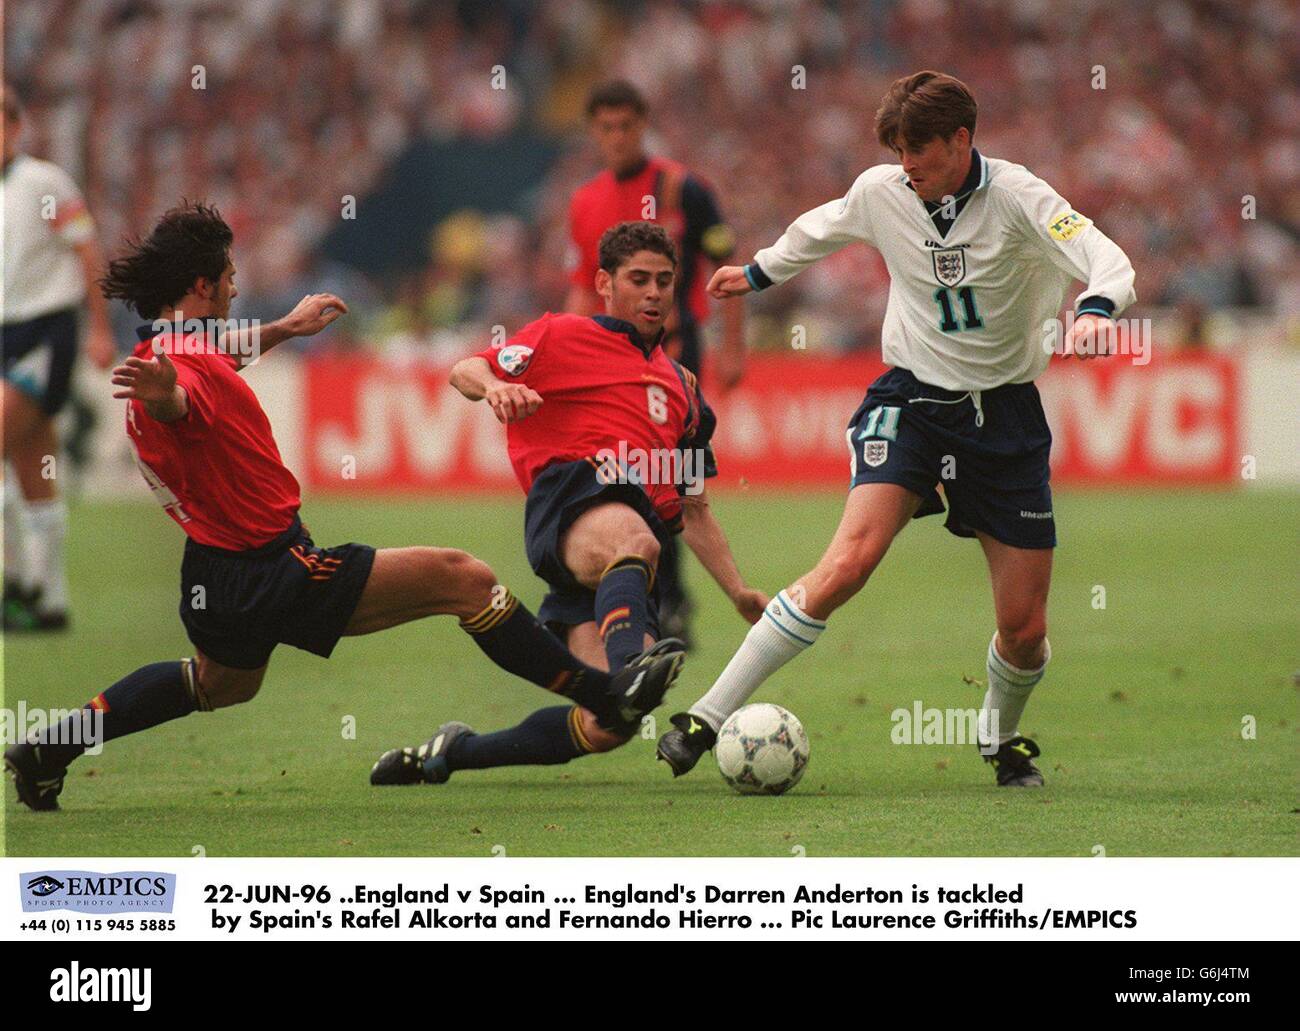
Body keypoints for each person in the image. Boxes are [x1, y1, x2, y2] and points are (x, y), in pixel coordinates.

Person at [3, 202, 681, 811]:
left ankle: (49, 746)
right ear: (204, 285)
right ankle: (605, 694)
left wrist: (286, 328)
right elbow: (182, 397)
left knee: (219, 684)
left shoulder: (172, 344)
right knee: (464, 579)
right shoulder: (177, 372)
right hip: (275, 566)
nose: (238, 285)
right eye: (230, 275)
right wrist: (163, 398)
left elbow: (209, 354)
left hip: (214, 573)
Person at [657, 71, 1136, 787]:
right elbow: (821, 226)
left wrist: (1097, 307)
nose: (905, 163)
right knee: (848, 561)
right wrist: (756, 273)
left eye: (918, 149)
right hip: (909, 400)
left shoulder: (1020, 197)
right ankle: (705, 715)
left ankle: (1000, 737)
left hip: (1003, 417)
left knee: (1025, 630)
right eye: (898, 149)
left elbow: (1107, 255)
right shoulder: (884, 191)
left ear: (961, 140)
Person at [370, 221, 764, 787]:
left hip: (622, 564)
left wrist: (738, 592)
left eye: (664, 281)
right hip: (571, 501)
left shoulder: (686, 391)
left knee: (611, 723)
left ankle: (451, 754)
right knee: (635, 541)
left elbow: (695, 509)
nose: (654, 293)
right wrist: (497, 388)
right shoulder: (562, 335)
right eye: (638, 280)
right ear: (604, 283)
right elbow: (466, 369)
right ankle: (631, 669)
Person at [565, 80, 747, 647]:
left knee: (666, 478)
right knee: (629, 476)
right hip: (608, 359)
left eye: (626, 126)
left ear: (643, 124)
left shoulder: (684, 188)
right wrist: (568, 349)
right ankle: (661, 597)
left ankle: (663, 600)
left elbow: (727, 263)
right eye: (606, 128)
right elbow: (580, 287)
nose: (618, 137)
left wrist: (734, 344)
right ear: (594, 132)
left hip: (672, 349)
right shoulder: (584, 202)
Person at [2, 84, 116, 630]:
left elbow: (86, 247)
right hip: (4, 334)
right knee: (31, 464)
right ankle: (48, 598)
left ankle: (16, 584)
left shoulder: (42, 183)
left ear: (14, 128)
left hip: (45, 331)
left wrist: (99, 327)